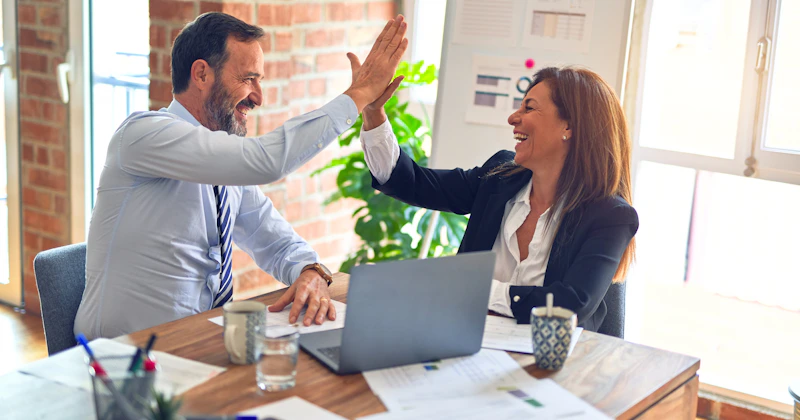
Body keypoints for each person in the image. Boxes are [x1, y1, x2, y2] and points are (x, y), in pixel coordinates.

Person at [74, 12, 408, 339]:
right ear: (202, 74)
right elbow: (267, 161)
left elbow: (273, 239)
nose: (258, 97)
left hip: (198, 345)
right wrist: (359, 95)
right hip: (122, 359)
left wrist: (311, 271)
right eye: (248, 78)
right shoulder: (144, 135)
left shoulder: (224, 165)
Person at [359, 66, 638, 332]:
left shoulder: (610, 216)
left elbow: (569, 306)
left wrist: (475, 289)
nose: (513, 118)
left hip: (553, 366)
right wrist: (373, 113)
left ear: (569, 126)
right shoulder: (499, 178)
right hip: (467, 345)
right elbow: (412, 183)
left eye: (529, 107)